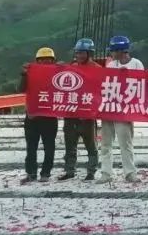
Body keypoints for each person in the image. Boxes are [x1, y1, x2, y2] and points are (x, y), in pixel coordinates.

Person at [99, 35, 143, 183]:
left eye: (113, 51)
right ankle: (106, 172)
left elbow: (141, 85)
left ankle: (130, 172)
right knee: (106, 143)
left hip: (125, 110)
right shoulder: (111, 65)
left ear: (120, 51)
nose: (111, 54)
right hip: (109, 108)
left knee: (126, 143)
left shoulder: (136, 64)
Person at [59, 38, 100, 181]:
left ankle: (91, 171)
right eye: (77, 53)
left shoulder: (97, 69)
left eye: (82, 53)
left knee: (91, 146)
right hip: (71, 113)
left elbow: (100, 91)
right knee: (70, 145)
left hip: (87, 115)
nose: (79, 56)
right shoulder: (71, 67)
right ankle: (69, 170)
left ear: (89, 53)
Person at [18, 47, 59, 184]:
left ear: (53, 61)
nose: (45, 63)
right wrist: (24, 75)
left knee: (49, 147)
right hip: (32, 117)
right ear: (37, 61)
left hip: (49, 117)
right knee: (31, 148)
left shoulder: (58, 74)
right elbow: (21, 89)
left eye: (48, 60)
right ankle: (31, 173)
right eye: (42, 60)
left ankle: (46, 173)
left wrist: (64, 69)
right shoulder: (30, 73)